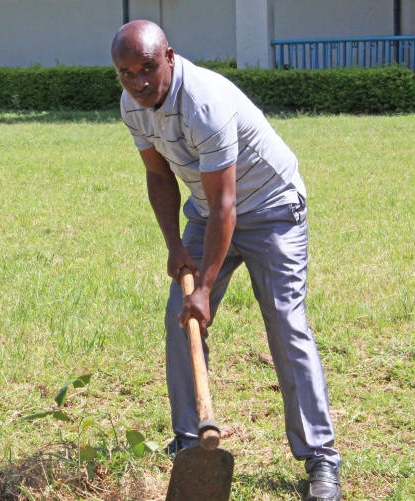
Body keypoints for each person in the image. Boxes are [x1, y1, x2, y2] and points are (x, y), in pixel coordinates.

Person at [111, 20, 342, 501]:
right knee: (181, 317)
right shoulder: (134, 106)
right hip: (207, 212)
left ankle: (321, 459)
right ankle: (191, 444)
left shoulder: (205, 103)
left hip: (272, 210)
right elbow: (159, 177)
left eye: (148, 68)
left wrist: (206, 285)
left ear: (169, 57)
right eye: (126, 73)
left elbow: (226, 206)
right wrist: (175, 248)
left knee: (285, 322)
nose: (138, 82)